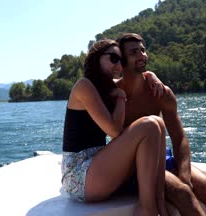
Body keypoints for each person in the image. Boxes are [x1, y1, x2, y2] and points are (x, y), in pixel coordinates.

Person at [115, 33, 206, 216]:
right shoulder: (113, 94)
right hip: (134, 167)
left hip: (163, 158)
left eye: (143, 50)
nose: (141, 55)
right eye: (133, 52)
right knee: (183, 194)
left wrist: (185, 174)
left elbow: (179, 138)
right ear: (121, 60)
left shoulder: (160, 93)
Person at [61, 39, 169, 216]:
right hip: (79, 175)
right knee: (148, 124)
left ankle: (158, 202)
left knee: (158, 123)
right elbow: (114, 131)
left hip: (98, 165)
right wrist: (120, 97)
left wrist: (151, 75)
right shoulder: (84, 86)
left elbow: (135, 76)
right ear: (96, 59)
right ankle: (146, 209)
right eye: (113, 58)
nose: (119, 64)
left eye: (121, 60)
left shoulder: (107, 88)